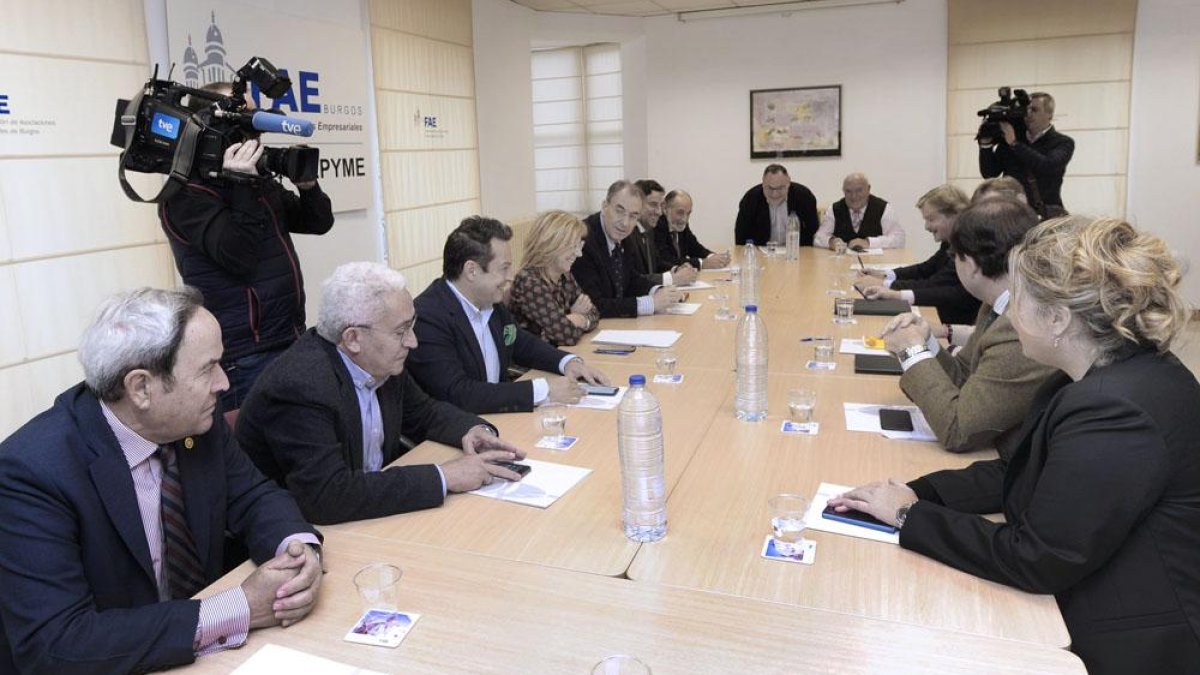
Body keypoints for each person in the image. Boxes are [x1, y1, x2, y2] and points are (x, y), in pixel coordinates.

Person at [830, 216, 1200, 675]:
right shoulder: (1107, 371)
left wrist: (909, 517)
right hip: (1096, 586)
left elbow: (1037, 558)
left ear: (1059, 318)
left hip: (1129, 637)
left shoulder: (1115, 411)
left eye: (1019, 301)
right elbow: (1018, 469)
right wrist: (916, 491)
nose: (1008, 316)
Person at [0, 287, 323, 673]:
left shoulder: (195, 423)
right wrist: (239, 607)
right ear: (141, 388)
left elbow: (255, 496)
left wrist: (299, 552)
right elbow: (57, 645)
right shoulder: (31, 473)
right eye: (207, 368)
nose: (223, 383)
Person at [236, 262, 527, 526]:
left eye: (412, 325)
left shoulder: (380, 361)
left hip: (368, 516)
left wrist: (473, 429)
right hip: (302, 537)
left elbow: (424, 412)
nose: (413, 342)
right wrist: (444, 476)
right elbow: (327, 496)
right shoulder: (301, 386)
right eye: (401, 331)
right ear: (353, 338)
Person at [158, 82, 334, 411]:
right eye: (245, 117)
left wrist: (308, 187)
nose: (255, 127)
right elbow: (239, 256)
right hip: (244, 356)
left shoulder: (258, 179)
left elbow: (317, 223)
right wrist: (242, 184)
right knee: (255, 455)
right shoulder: (186, 195)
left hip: (288, 337)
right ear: (212, 123)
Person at [880, 198, 1055, 454]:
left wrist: (912, 353)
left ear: (970, 266)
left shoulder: (1020, 326)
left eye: (956, 258)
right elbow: (965, 377)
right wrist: (926, 341)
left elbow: (958, 430)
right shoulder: (999, 303)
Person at [407, 216, 610, 414]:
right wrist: (543, 390)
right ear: (472, 270)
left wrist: (568, 363)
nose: (511, 276)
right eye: (504, 268)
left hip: (497, 417)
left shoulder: (488, 302)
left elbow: (521, 343)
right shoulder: (428, 317)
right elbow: (460, 394)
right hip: (457, 432)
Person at [859, 184, 982, 325]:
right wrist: (884, 275)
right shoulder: (951, 241)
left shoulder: (966, 246)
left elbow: (935, 285)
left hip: (953, 323)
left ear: (954, 214)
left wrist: (888, 286)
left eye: (931, 219)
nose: (926, 226)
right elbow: (925, 269)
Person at [573, 180, 684, 318]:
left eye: (633, 216)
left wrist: (660, 291)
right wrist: (650, 303)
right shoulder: (584, 240)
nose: (625, 223)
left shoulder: (626, 235)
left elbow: (631, 280)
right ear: (604, 206)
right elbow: (595, 304)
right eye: (619, 211)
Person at [509, 211, 599, 347]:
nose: (578, 254)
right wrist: (571, 316)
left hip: (557, 354)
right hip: (532, 364)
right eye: (572, 246)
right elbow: (567, 336)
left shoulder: (564, 275)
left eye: (578, 246)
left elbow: (595, 314)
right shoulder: (529, 282)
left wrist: (577, 319)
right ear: (551, 244)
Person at [978, 91, 1074, 217]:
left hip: (1046, 217)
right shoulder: (1010, 139)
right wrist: (986, 146)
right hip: (1013, 215)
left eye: (1034, 110)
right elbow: (989, 173)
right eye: (1025, 110)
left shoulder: (1063, 142)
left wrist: (1015, 144)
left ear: (1049, 114)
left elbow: (1047, 165)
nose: (1028, 114)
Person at [627, 179, 697, 286]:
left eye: (660, 206)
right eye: (653, 205)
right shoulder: (626, 235)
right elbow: (633, 280)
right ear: (636, 204)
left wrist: (676, 269)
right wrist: (672, 278)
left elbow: (657, 263)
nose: (659, 212)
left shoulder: (648, 232)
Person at [813, 173, 906, 251]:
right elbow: (818, 238)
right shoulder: (834, 209)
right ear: (843, 191)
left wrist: (868, 243)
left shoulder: (884, 208)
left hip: (876, 263)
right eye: (848, 191)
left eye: (859, 190)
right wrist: (831, 242)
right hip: (842, 264)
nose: (854, 196)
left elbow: (899, 239)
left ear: (868, 189)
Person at [733, 164, 819, 246]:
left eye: (780, 188)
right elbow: (741, 238)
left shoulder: (804, 197)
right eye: (770, 188)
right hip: (761, 255)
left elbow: (813, 234)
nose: (775, 194)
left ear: (788, 183)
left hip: (796, 253)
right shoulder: (751, 199)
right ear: (763, 184)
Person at [654, 190, 732, 270]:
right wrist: (702, 263)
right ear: (665, 209)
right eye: (680, 213)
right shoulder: (656, 226)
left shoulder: (680, 224)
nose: (685, 219)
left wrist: (714, 257)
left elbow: (695, 248)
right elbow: (667, 261)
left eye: (688, 213)